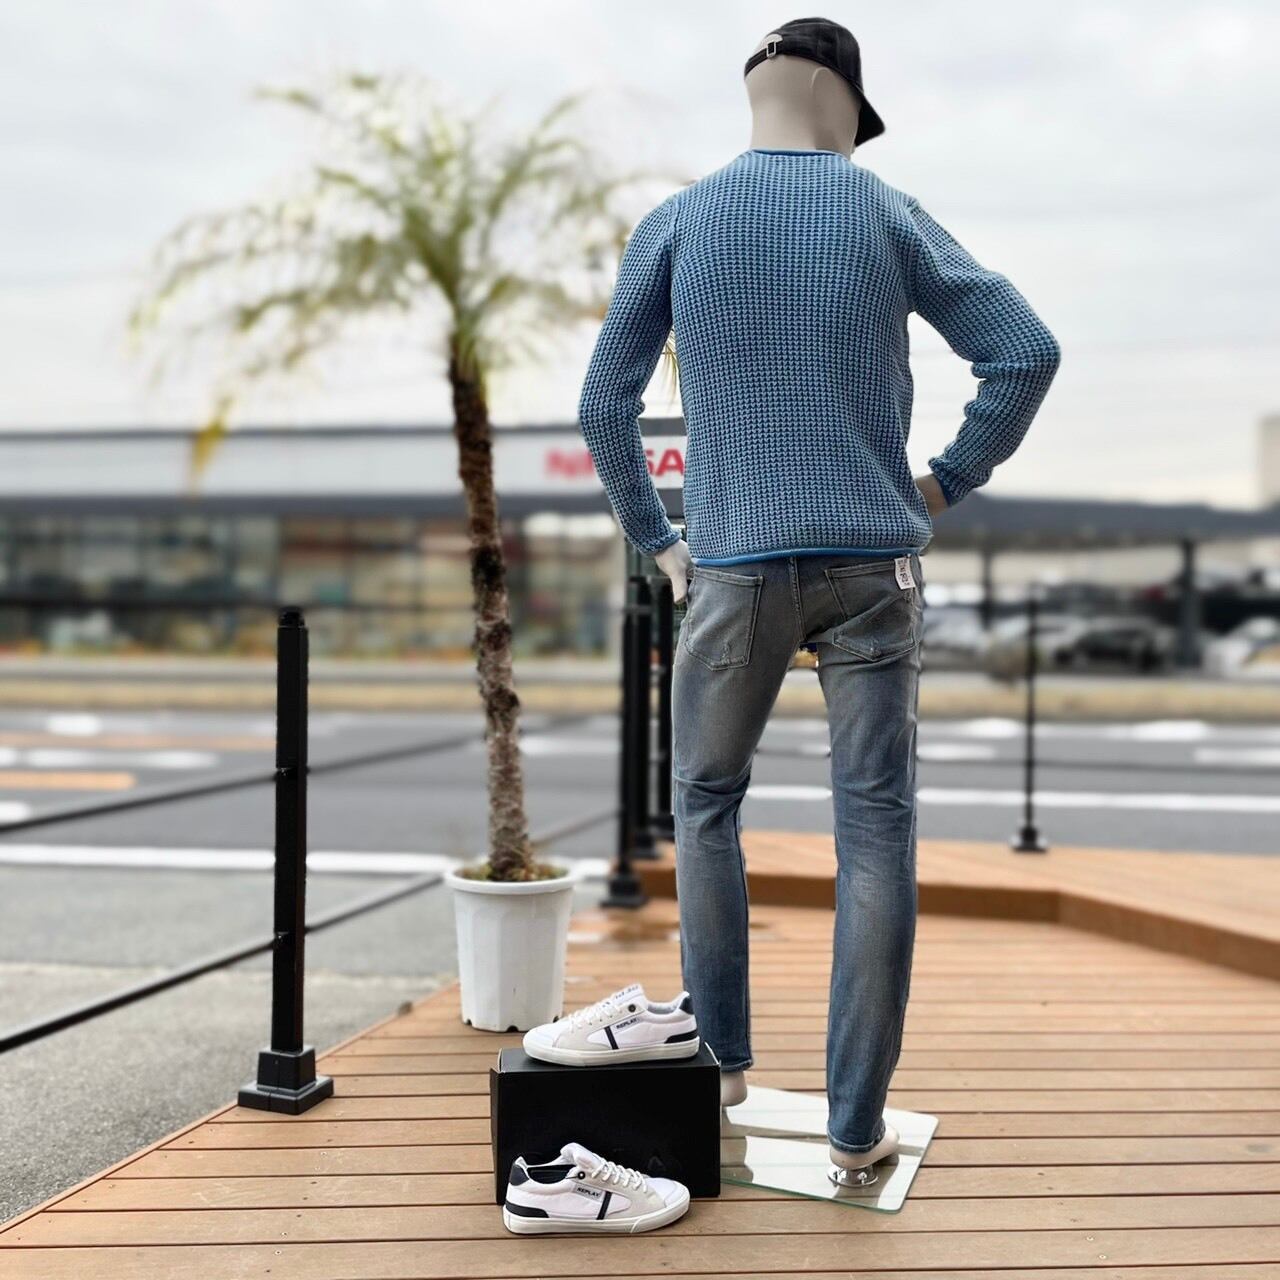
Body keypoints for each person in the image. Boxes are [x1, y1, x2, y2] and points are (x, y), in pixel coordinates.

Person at [577, 17, 1060, 1178]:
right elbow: (1023, 352)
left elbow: (603, 405)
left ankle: (722, 1063)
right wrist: (944, 480)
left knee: (703, 802)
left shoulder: (678, 221)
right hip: (873, 567)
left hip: (731, 565)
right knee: (874, 829)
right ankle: (853, 1129)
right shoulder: (883, 211)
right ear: (836, 98)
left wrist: (659, 542)